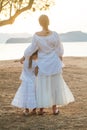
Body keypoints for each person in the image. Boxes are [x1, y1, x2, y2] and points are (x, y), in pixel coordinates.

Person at [20, 14, 75, 115]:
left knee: (42, 86)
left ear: (40, 23)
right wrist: (60, 60)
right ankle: (55, 109)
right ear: (48, 22)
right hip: (53, 62)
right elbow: (59, 50)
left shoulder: (36, 35)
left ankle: (41, 109)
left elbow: (32, 49)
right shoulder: (55, 34)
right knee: (54, 86)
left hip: (43, 63)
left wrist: (24, 56)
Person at [11, 51, 38, 115]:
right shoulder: (36, 63)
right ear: (35, 55)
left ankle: (26, 110)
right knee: (34, 94)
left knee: (26, 94)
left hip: (26, 81)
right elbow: (36, 74)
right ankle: (34, 110)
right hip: (33, 80)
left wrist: (23, 58)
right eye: (37, 55)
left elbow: (22, 61)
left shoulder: (25, 61)